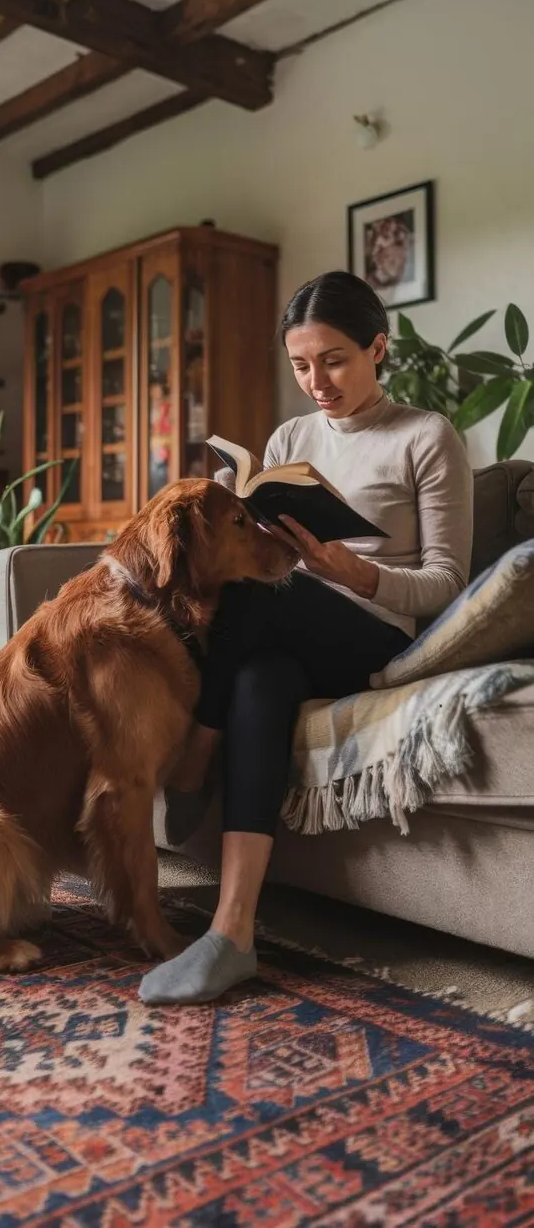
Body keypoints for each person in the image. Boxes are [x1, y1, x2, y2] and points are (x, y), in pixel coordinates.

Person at [139, 270, 473, 1007]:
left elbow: (449, 583)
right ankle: (232, 934)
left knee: (267, 602)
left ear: (377, 347)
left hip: (380, 636)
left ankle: (196, 751)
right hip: (287, 630)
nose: (316, 380)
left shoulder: (426, 436)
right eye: (300, 365)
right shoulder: (292, 436)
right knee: (259, 677)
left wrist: (359, 573)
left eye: (334, 360)